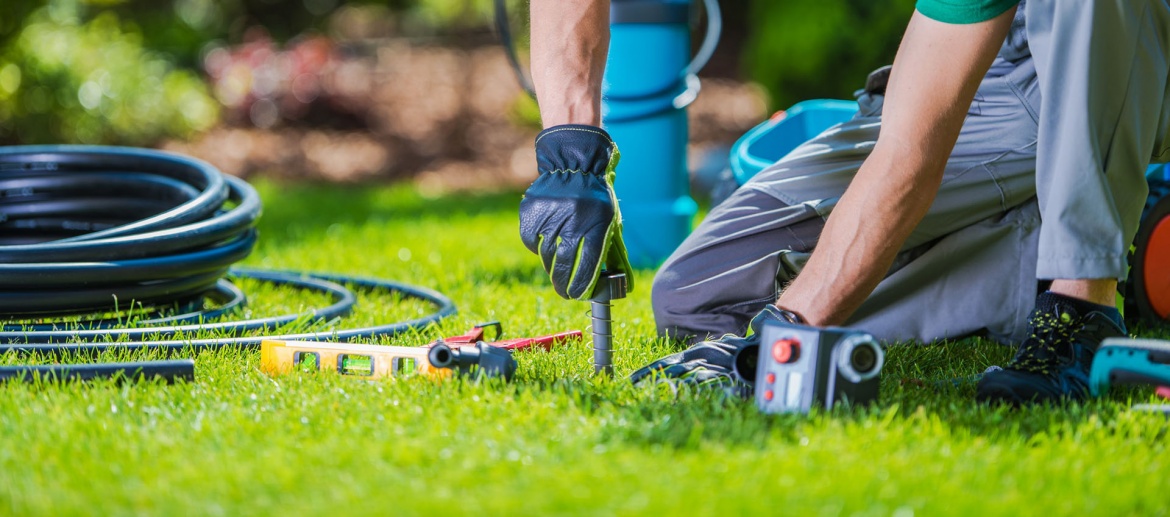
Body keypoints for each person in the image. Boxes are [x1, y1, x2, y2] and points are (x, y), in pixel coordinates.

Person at [518, 0, 1170, 404]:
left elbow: (913, 152)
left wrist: (790, 332)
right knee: (698, 295)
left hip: (1131, 50)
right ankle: (1114, 225)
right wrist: (569, 148)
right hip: (995, 63)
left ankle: (1082, 299)